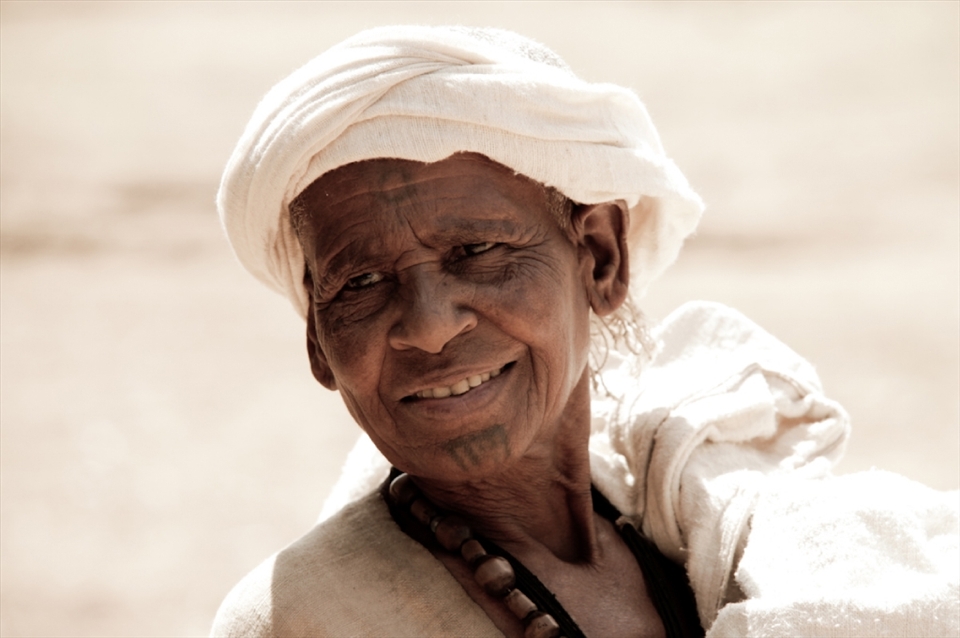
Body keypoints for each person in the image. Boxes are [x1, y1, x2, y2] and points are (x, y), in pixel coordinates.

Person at [211, 26, 959, 638]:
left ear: (600, 257)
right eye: (360, 283)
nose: (430, 326)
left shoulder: (733, 541)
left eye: (476, 251)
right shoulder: (300, 621)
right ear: (319, 342)